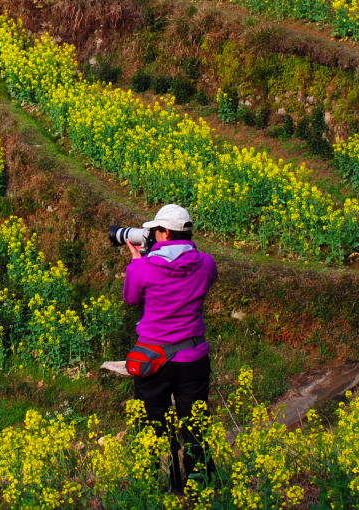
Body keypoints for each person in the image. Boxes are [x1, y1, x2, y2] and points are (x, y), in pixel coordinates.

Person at [121, 203, 217, 492]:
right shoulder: (207, 262)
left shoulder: (143, 266)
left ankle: (153, 484)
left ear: (163, 233)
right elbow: (205, 281)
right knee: (195, 424)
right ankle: (200, 484)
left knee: (152, 425)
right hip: (193, 358)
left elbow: (131, 298)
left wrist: (137, 261)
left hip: (153, 359)